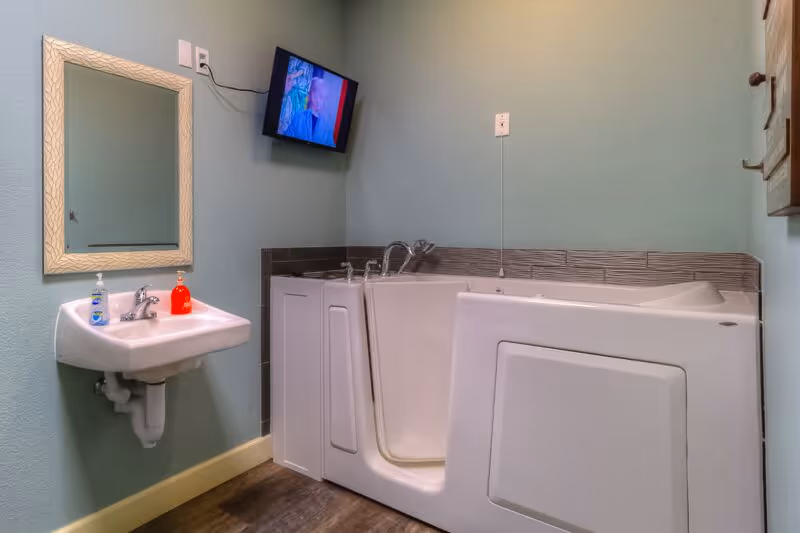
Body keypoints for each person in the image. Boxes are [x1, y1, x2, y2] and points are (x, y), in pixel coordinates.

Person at [284, 77, 335, 147]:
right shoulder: (298, 117)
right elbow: (285, 139)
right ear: (312, 94)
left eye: (324, 98)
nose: (322, 101)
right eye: (320, 96)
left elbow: (331, 146)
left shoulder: (327, 125)